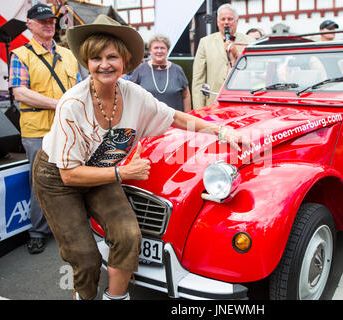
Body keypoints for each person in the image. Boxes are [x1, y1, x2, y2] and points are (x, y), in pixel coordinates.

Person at [32, 14, 251, 300]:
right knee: (84, 257)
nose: (104, 64)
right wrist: (124, 173)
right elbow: (69, 175)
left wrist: (222, 131)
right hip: (58, 177)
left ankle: (116, 297)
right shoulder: (72, 104)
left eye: (111, 56)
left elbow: (175, 117)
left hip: (104, 168)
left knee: (128, 236)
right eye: (96, 58)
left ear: (124, 61)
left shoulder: (135, 94)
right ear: (87, 62)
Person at [8, 3, 80, 254]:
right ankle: (38, 232)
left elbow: (79, 90)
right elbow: (20, 92)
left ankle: (67, 228)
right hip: (37, 130)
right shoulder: (20, 54)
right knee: (40, 181)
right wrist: (59, 104)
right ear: (29, 25)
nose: (49, 24)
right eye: (42, 21)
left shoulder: (69, 55)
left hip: (67, 129)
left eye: (51, 20)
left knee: (71, 178)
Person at [192, 3, 255, 109]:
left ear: (236, 21)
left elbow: (255, 70)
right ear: (217, 22)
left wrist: (237, 54)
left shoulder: (249, 42)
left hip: (242, 103)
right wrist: (199, 109)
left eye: (230, 19)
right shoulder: (205, 42)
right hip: (214, 103)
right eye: (223, 19)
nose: (226, 22)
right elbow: (198, 80)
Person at [129, 34, 191, 112]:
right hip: (148, 121)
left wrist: (188, 120)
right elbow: (131, 95)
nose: (159, 51)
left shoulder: (177, 70)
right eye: (156, 48)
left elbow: (186, 95)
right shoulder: (140, 70)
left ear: (167, 50)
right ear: (150, 50)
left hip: (175, 121)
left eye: (162, 48)